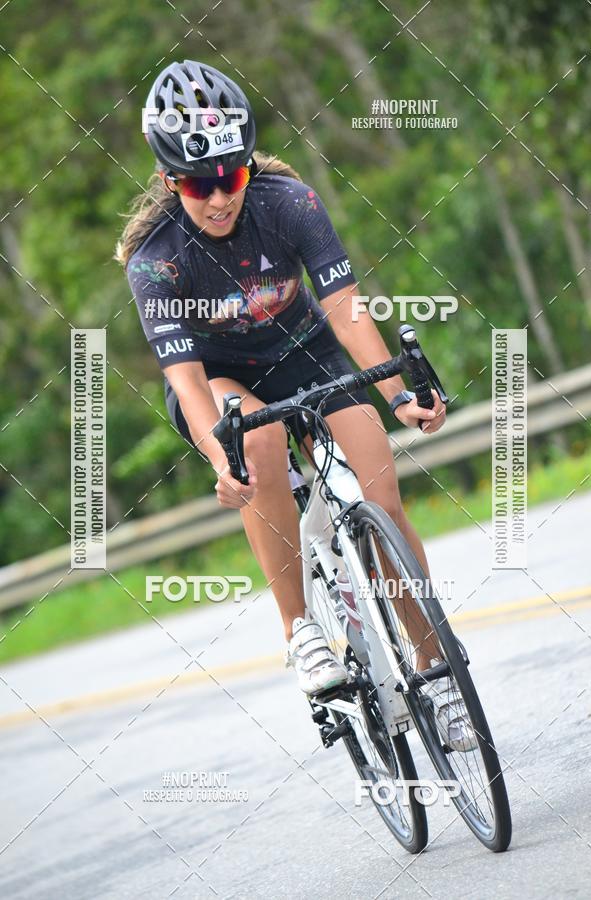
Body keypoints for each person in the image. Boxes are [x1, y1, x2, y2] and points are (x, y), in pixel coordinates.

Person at [115, 59, 475, 753]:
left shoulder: (290, 203)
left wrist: (395, 391)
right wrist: (223, 456)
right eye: (198, 183)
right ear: (169, 181)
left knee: (380, 495)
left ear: (249, 165)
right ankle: (301, 632)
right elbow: (188, 383)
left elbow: (343, 307)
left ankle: (439, 670)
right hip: (223, 383)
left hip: (307, 350)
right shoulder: (156, 262)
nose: (219, 196)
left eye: (233, 175)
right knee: (259, 443)